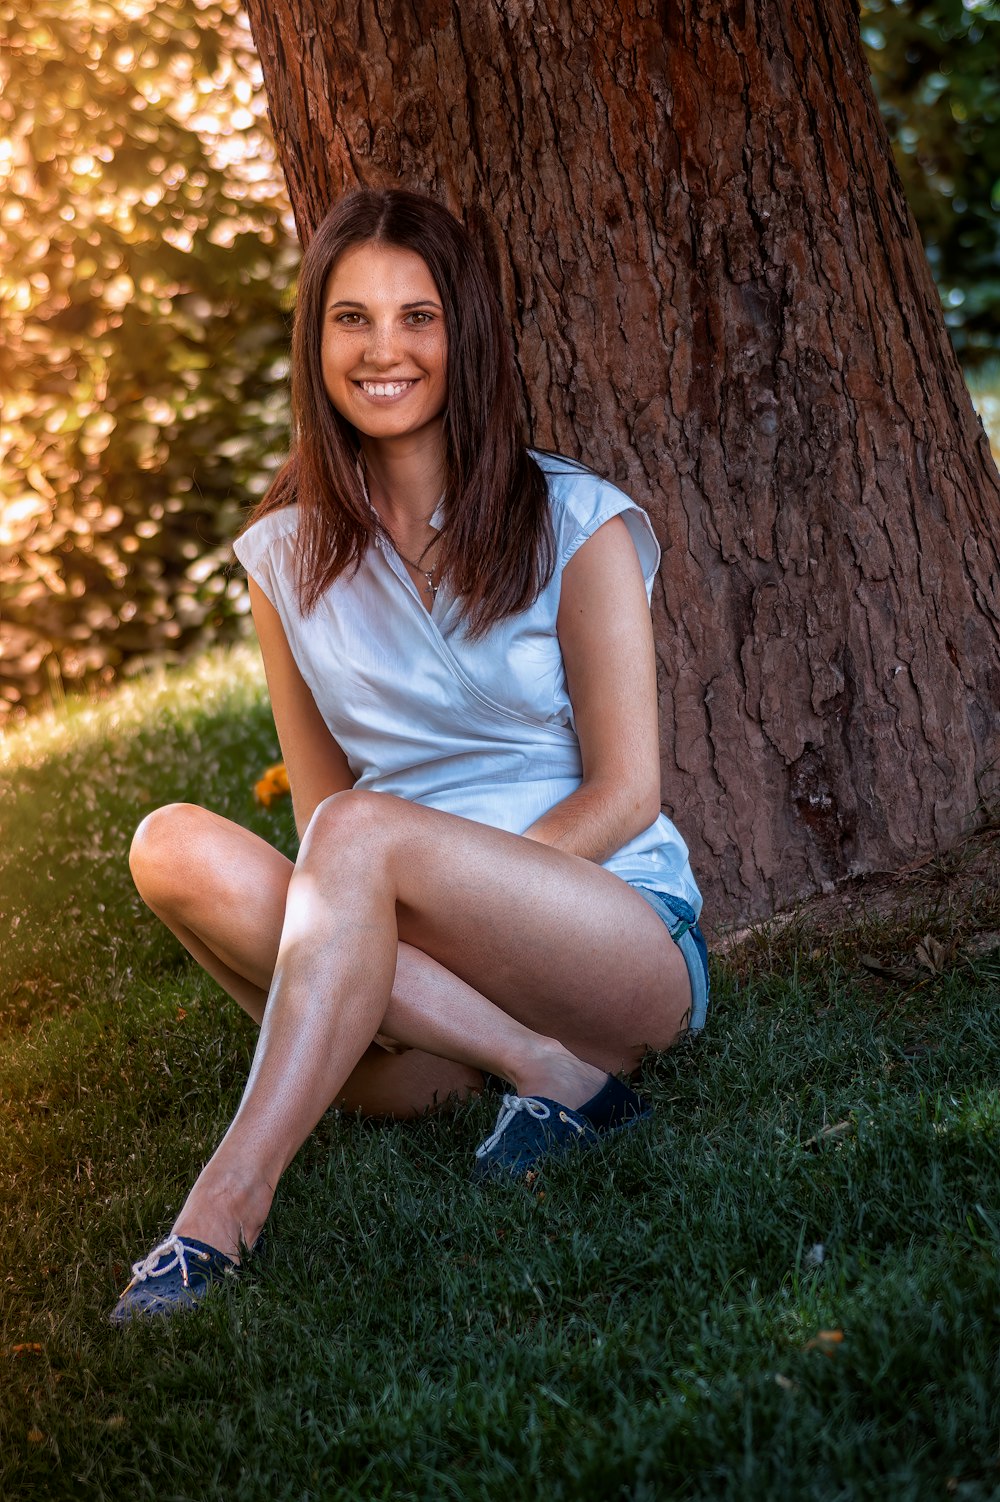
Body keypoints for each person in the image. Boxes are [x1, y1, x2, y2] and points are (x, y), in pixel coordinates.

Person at [111, 188, 709, 1324]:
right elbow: (321, 807)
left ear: (462, 333)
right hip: (416, 1010)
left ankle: (223, 1206)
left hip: (606, 932)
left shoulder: (579, 522)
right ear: (316, 341)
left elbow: (630, 790)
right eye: (351, 318)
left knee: (356, 832)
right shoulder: (282, 557)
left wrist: (442, 902)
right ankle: (542, 1070)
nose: (384, 349)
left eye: (416, 316)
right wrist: (383, 919)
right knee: (171, 844)